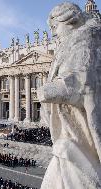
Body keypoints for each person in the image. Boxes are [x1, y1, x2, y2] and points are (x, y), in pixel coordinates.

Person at [37, 2, 101, 188]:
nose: (54, 33)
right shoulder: (69, 46)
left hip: (77, 140)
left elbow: (82, 83)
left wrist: (46, 91)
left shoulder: (86, 42)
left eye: (55, 27)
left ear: (70, 20)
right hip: (67, 136)